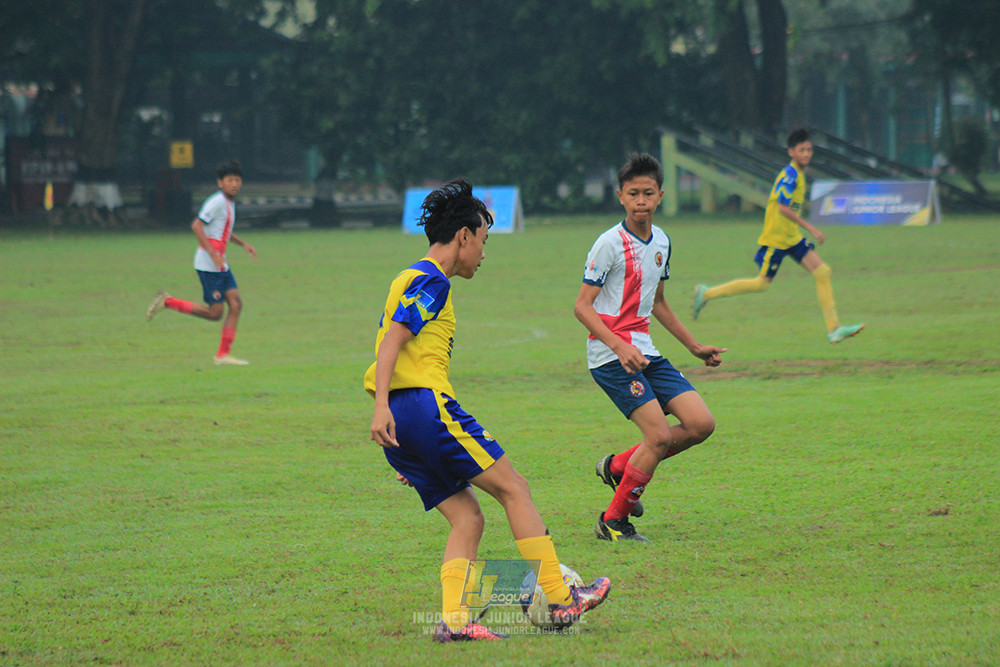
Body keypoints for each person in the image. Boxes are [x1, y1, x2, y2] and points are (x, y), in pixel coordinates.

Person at [366, 178, 610, 642]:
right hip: (424, 406)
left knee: (468, 517)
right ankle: (561, 598)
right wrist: (387, 409)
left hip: (407, 417)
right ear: (463, 236)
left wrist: (400, 426)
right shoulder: (432, 279)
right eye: (482, 240)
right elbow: (395, 339)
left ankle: (455, 623)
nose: (482, 252)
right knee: (515, 488)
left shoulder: (407, 275)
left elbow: (388, 346)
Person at [575, 153, 727, 543]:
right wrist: (618, 345)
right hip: (611, 357)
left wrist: (693, 346)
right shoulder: (609, 243)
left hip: (646, 350)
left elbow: (657, 302)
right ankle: (613, 521)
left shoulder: (662, 241)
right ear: (620, 197)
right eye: (632, 194)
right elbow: (582, 306)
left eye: (648, 193)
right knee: (657, 437)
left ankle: (618, 467)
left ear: (660, 195)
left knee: (700, 424)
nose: (640, 201)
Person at [691, 128, 864, 344]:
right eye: (802, 150)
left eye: (809, 150)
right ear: (791, 152)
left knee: (822, 272)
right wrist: (812, 228)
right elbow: (783, 207)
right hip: (777, 239)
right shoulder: (790, 175)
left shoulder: (798, 174)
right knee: (761, 284)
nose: (807, 154)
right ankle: (706, 294)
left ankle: (834, 329)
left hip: (791, 237)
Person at [146, 160, 257, 365]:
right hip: (209, 264)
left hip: (220, 264)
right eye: (230, 180)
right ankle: (168, 302)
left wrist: (243, 245)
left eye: (237, 180)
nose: (235, 184)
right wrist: (212, 254)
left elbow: (222, 232)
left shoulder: (229, 202)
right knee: (215, 313)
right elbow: (197, 225)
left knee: (236, 304)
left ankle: (223, 355)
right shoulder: (216, 202)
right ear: (220, 183)